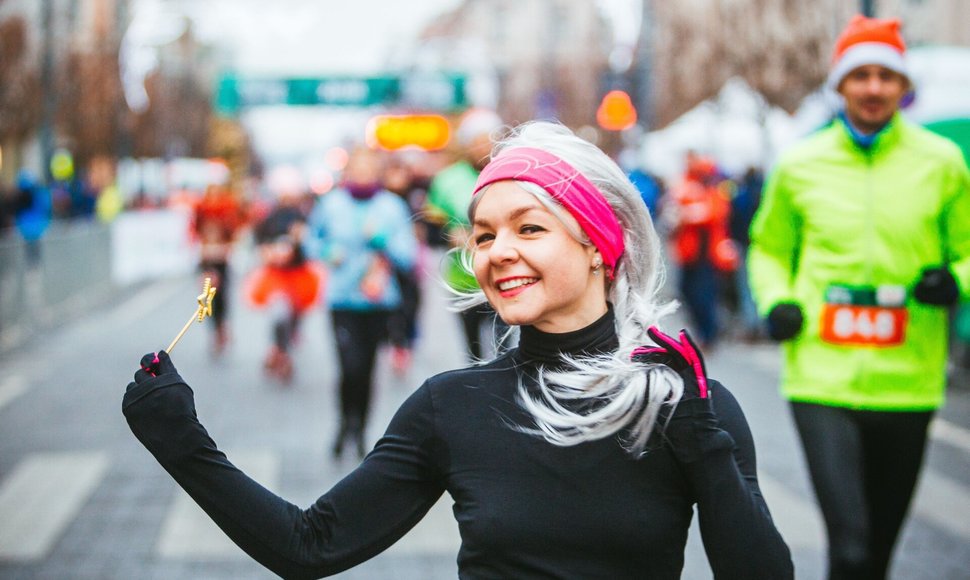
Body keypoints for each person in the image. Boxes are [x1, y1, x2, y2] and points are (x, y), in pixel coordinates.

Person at [123, 121, 793, 579]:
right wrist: (181, 440)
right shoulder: (452, 406)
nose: (498, 251)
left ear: (598, 244)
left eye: (529, 228)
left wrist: (701, 436)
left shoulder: (683, 402)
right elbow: (309, 545)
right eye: (483, 234)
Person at [747, 15, 970, 580]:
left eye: (886, 76)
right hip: (821, 375)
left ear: (902, 87)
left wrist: (957, 280)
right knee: (848, 546)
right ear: (841, 85)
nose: (873, 87)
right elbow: (767, 249)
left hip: (909, 379)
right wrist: (777, 302)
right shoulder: (800, 163)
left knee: (877, 556)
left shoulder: (941, 162)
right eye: (861, 75)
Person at [306, 146, 419, 458]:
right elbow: (311, 241)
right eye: (358, 169)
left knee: (367, 368)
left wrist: (383, 239)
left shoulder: (391, 207)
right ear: (347, 172)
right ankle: (345, 422)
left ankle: (361, 430)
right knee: (348, 366)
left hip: (379, 300)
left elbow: (409, 256)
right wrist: (328, 253)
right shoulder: (331, 204)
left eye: (370, 170)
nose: (363, 175)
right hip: (342, 300)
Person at [425, 108, 510, 360]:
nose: (483, 146)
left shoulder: (509, 174)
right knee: (474, 351)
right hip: (464, 278)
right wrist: (449, 234)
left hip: (505, 272)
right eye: (476, 140)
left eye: (488, 139)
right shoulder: (447, 180)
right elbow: (430, 230)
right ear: (466, 144)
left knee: (505, 346)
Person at [248, 187, 323, 383]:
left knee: (295, 313)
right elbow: (258, 243)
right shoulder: (269, 219)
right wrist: (269, 252)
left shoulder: (302, 218)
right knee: (279, 314)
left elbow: (312, 245)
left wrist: (301, 240)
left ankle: (283, 347)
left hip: (297, 275)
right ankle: (280, 349)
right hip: (277, 277)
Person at [663, 152, 737, 347]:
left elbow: (715, 213)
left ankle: (708, 334)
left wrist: (688, 214)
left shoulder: (714, 188)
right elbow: (672, 213)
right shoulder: (684, 186)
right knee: (686, 292)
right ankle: (704, 332)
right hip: (689, 253)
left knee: (704, 295)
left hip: (708, 255)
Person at [192, 183, 246, 354]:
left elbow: (235, 229)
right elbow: (195, 230)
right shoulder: (202, 211)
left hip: (221, 260)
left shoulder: (226, 211)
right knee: (208, 298)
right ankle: (215, 331)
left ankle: (222, 327)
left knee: (222, 297)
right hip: (207, 260)